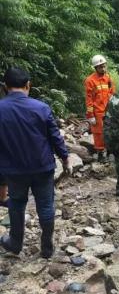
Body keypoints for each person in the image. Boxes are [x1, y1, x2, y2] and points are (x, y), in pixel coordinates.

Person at [0, 67, 71, 258]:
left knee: (16, 203)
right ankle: (47, 248)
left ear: (5, 87)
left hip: (14, 170)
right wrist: (65, 158)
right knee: (46, 205)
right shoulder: (42, 108)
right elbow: (55, 137)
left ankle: (15, 243)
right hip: (43, 167)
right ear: (28, 85)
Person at [85, 54, 115, 163]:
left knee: (110, 132)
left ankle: (110, 152)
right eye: (100, 67)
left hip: (108, 111)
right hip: (97, 112)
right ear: (95, 68)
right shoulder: (90, 80)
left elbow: (112, 91)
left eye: (104, 66)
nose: (103, 68)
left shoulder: (108, 77)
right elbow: (89, 99)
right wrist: (90, 115)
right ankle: (100, 153)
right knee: (98, 133)